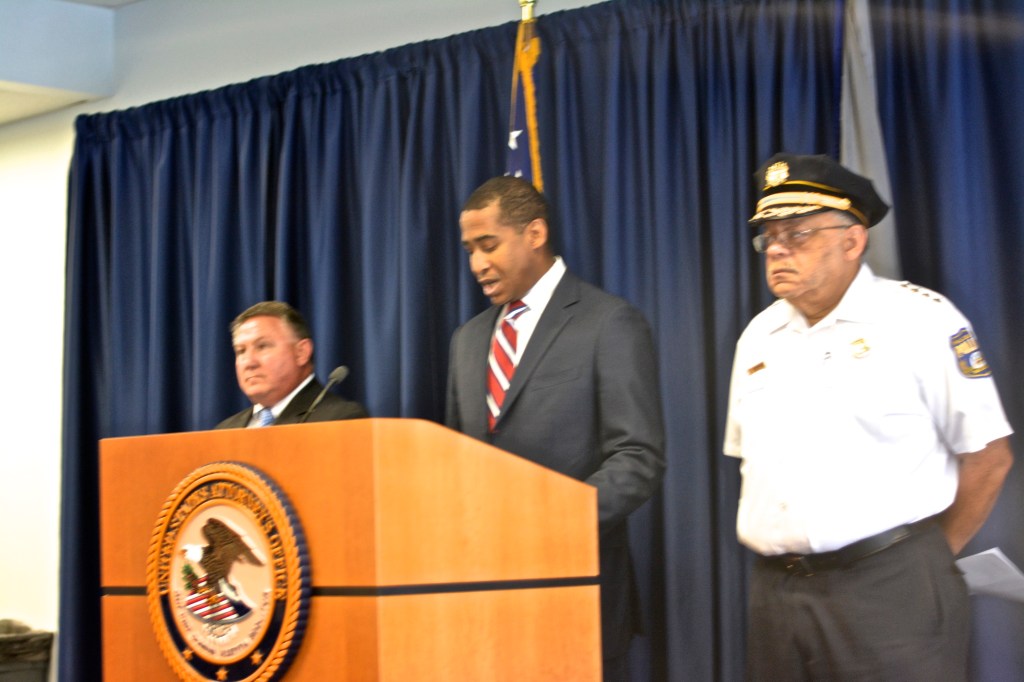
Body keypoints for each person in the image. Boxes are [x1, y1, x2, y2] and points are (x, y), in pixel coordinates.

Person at [724, 153, 1014, 681]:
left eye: (798, 233)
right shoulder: (759, 336)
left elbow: (989, 458)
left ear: (853, 241)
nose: (778, 249)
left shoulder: (920, 320)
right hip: (778, 593)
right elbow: (749, 461)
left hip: (888, 591)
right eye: (770, 237)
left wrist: (920, 561)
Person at [446, 176, 666, 680]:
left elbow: (638, 457)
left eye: (488, 245)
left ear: (535, 233)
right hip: (481, 605)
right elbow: (455, 460)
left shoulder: (608, 322)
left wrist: (550, 523)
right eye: (470, 250)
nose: (477, 264)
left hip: (575, 591)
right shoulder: (466, 340)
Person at [216, 300, 366, 428]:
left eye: (262, 346)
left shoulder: (340, 420)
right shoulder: (224, 430)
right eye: (241, 351)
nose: (249, 362)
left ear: (301, 352)